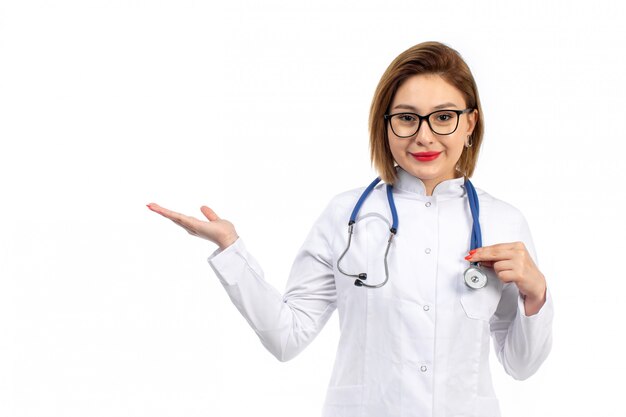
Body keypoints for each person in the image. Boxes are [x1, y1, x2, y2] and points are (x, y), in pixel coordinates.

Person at [146, 41, 553, 417]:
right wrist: (230, 248)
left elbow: (521, 365)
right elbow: (287, 338)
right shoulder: (346, 215)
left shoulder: (504, 223)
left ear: (470, 124)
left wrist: (536, 295)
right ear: (385, 124)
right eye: (407, 118)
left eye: (444, 117)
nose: (424, 135)